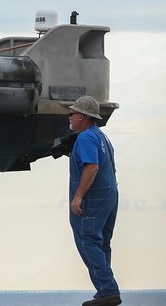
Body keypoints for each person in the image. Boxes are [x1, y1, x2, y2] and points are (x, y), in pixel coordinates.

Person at [67, 95, 121, 306]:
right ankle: (104, 292)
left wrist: (78, 196)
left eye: (72, 114)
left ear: (81, 116)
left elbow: (92, 167)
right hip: (109, 195)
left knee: (87, 239)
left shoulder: (85, 138)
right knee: (101, 243)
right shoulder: (102, 137)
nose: (69, 117)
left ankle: (108, 290)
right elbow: (110, 166)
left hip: (93, 198)